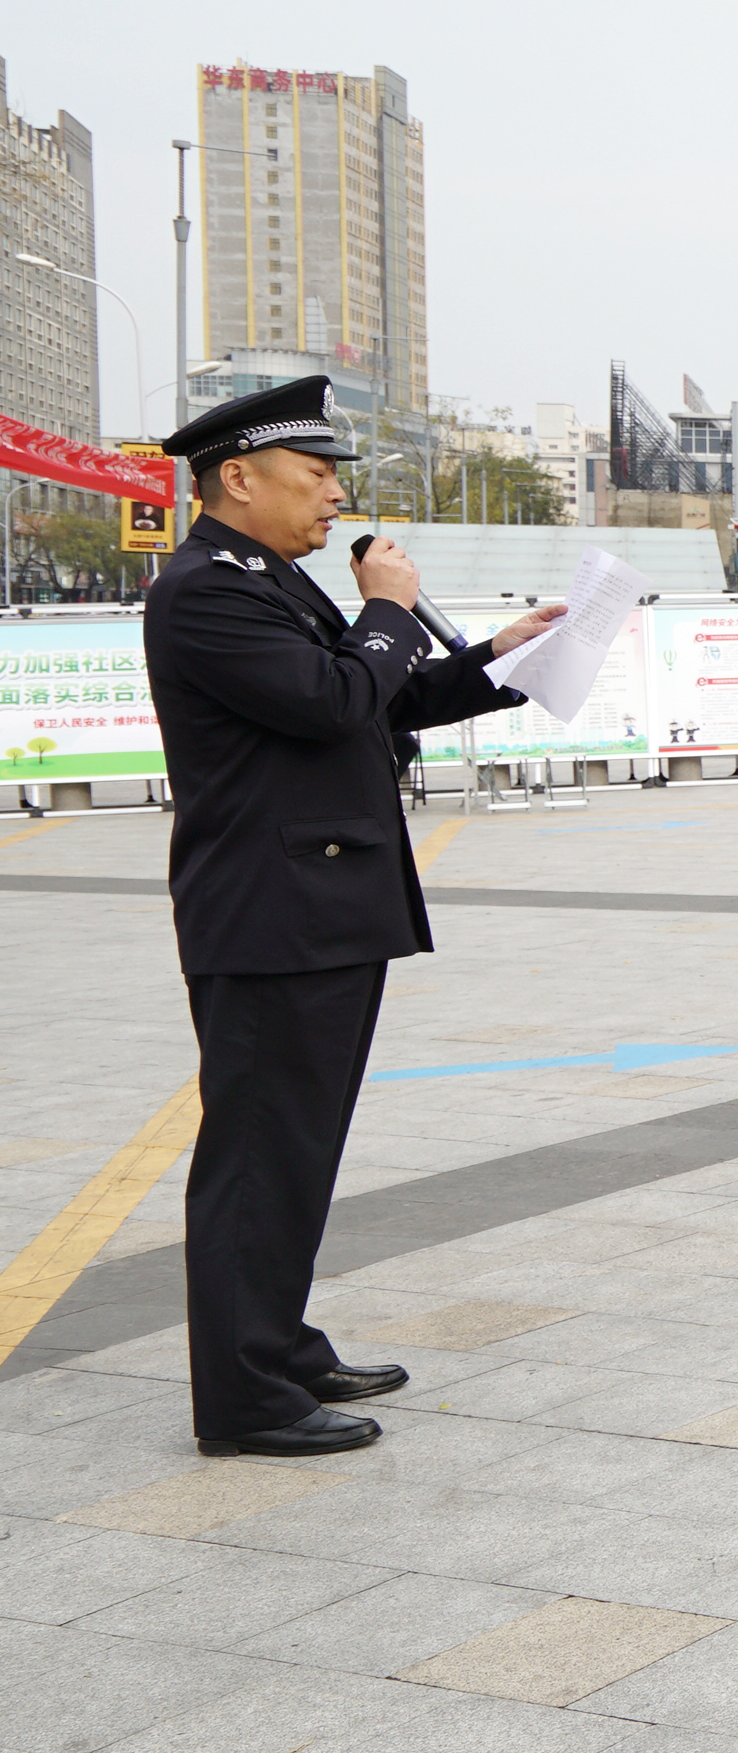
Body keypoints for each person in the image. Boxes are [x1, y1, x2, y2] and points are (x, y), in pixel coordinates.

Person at [145, 376, 564, 1457]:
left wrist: (498, 656)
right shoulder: (206, 588)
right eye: (316, 474)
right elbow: (334, 697)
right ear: (238, 476)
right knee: (258, 1152)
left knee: (298, 1145)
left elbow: (375, 695)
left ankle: (276, 1343)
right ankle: (242, 1397)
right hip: (271, 911)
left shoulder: (272, 578)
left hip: (319, 904)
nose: (335, 496)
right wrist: (385, 603)